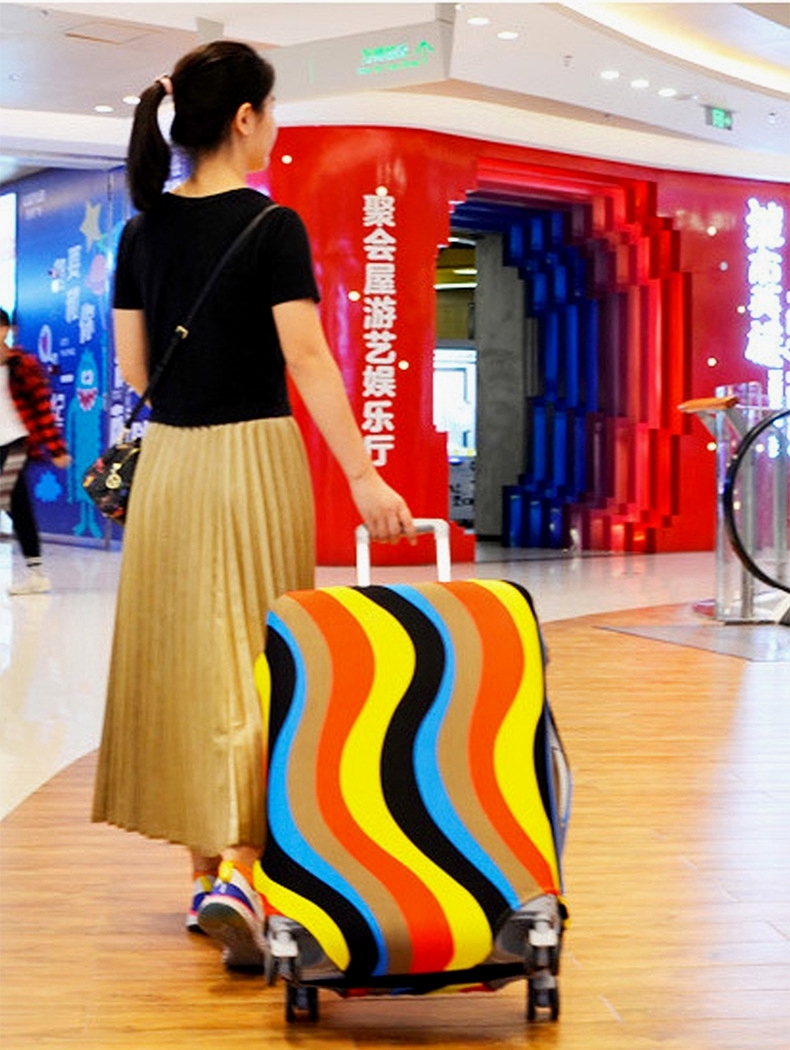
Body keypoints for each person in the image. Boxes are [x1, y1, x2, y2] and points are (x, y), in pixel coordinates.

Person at [91, 40, 415, 971]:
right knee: (256, 659)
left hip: (171, 467)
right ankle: (242, 867)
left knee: (186, 660)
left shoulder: (140, 234)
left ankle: (205, 878)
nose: (273, 127)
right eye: (270, 111)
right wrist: (363, 475)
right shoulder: (271, 226)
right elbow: (306, 358)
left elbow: (135, 370)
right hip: (254, 459)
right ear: (245, 119)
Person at [0, 307, 71, 594]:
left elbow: (42, 409)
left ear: (6, 330)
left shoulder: (22, 364)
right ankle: (35, 572)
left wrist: (56, 449)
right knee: (13, 504)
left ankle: (36, 573)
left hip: (17, 441)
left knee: (11, 497)